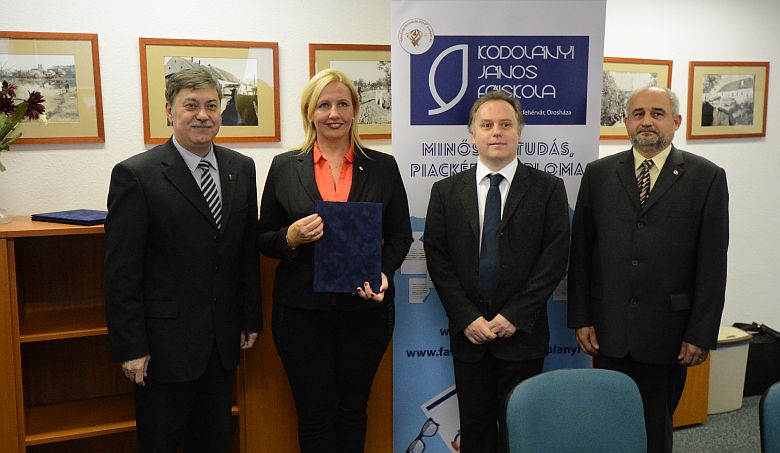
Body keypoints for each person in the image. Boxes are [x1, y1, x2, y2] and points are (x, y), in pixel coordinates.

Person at [104, 68, 262, 453]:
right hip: (163, 350)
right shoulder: (136, 175)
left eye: (211, 105)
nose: (202, 115)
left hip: (221, 344)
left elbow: (244, 253)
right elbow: (122, 272)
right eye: (191, 105)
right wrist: (131, 347)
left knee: (215, 442)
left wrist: (249, 317)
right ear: (169, 111)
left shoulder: (241, 168)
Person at [257, 68, 412, 453]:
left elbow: (400, 236)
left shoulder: (383, 166)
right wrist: (290, 237)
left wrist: (384, 272)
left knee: (353, 409)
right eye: (323, 105)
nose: (334, 113)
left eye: (343, 104)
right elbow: (264, 238)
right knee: (314, 413)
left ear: (355, 110)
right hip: (301, 313)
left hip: (365, 312)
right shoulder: (284, 166)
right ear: (309, 112)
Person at [568, 86, 729, 453]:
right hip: (608, 331)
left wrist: (701, 334)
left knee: (655, 431)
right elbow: (582, 254)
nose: (646, 121)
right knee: (609, 427)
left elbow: (712, 264)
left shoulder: (706, 178)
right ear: (626, 121)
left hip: (669, 335)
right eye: (638, 114)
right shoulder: (598, 174)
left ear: (676, 121)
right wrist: (582, 318)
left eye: (657, 113)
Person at [423, 90, 570, 453]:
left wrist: (515, 316)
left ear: (519, 132)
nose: (496, 132)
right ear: (472, 135)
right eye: (487, 125)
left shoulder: (548, 189)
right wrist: (466, 317)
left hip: (522, 336)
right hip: (469, 336)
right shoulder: (445, 191)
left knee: (520, 432)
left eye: (506, 124)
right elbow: (438, 259)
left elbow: (553, 260)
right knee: (475, 431)